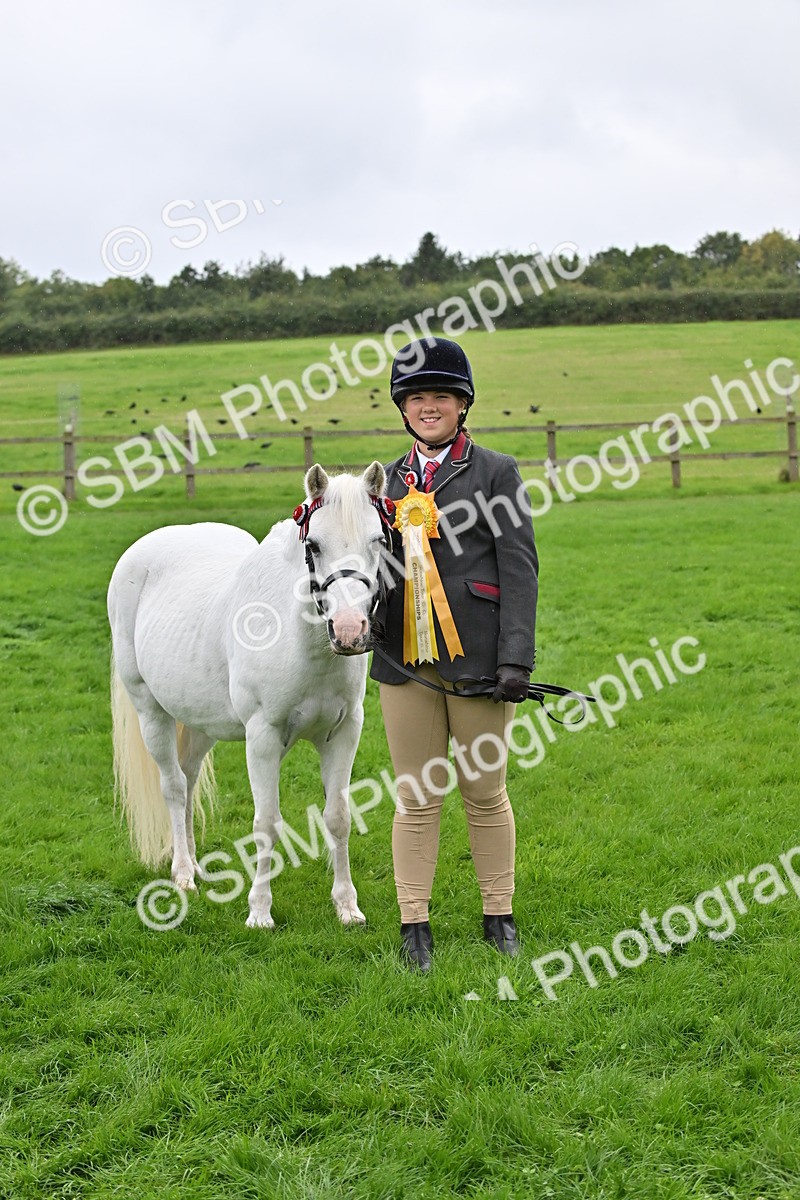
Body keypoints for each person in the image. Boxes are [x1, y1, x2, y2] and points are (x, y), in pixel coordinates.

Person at [369, 337, 538, 971]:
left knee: (485, 792)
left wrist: (515, 657)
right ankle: (415, 925)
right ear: (403, 408)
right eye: (417, 398)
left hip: (481, 660)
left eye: (440, 396)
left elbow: (520, 569)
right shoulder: (382, 481)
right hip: (403, 663)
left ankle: (500, 914)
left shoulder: (497, 471)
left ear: (462, 404)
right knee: (415, 795)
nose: (429, 407)